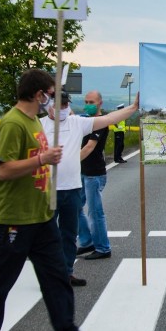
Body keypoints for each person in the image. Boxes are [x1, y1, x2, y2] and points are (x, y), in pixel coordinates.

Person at [0, 69, 102, 331]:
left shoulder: (33, 122)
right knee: (0, 279)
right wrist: (42, 159)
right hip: (15, 217)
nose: (52, 98)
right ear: (37, 94)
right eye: (50, 93)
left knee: (57, 276)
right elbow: (4, 170)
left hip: (41, 216)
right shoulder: (13, 123)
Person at [41, 92, 139, 286]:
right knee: (47, 235)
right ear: (48, 106)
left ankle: (67, 272)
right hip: (48, 189)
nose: (62, 109)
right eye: (58, 105)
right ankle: (48, 273)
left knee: (69, 235)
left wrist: (133, 107)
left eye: (65, 105)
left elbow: (109, 119)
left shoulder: (77, 123)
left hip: (71, 188)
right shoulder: (40, 125)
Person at [76, 90, 113, 260]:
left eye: (91, 102)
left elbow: (89, 147)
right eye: (86, 102)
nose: (88, 105)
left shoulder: (100, 123)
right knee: (74, 207)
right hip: (82, 172)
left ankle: (103, 248)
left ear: (100, 104)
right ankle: (86, 241)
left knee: (95, 212)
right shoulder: (84, 119)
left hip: (94, 174)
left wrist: (70, 162)